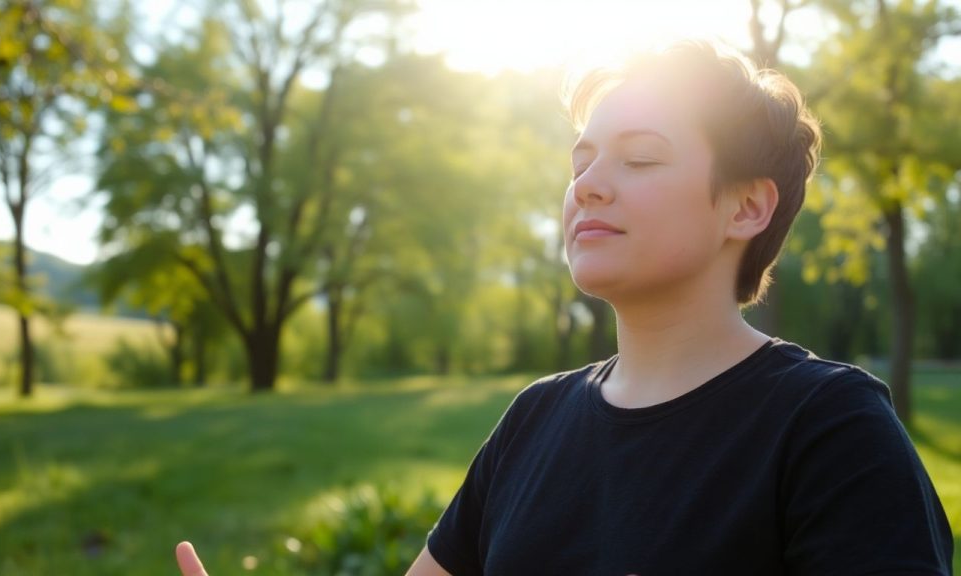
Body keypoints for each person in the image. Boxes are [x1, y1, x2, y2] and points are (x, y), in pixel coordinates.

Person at [175, 40, 954, 575]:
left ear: (747, 207)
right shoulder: (532, 422)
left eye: (639, 157)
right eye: (581, 159)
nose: (588, 184)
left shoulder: (830, 429)